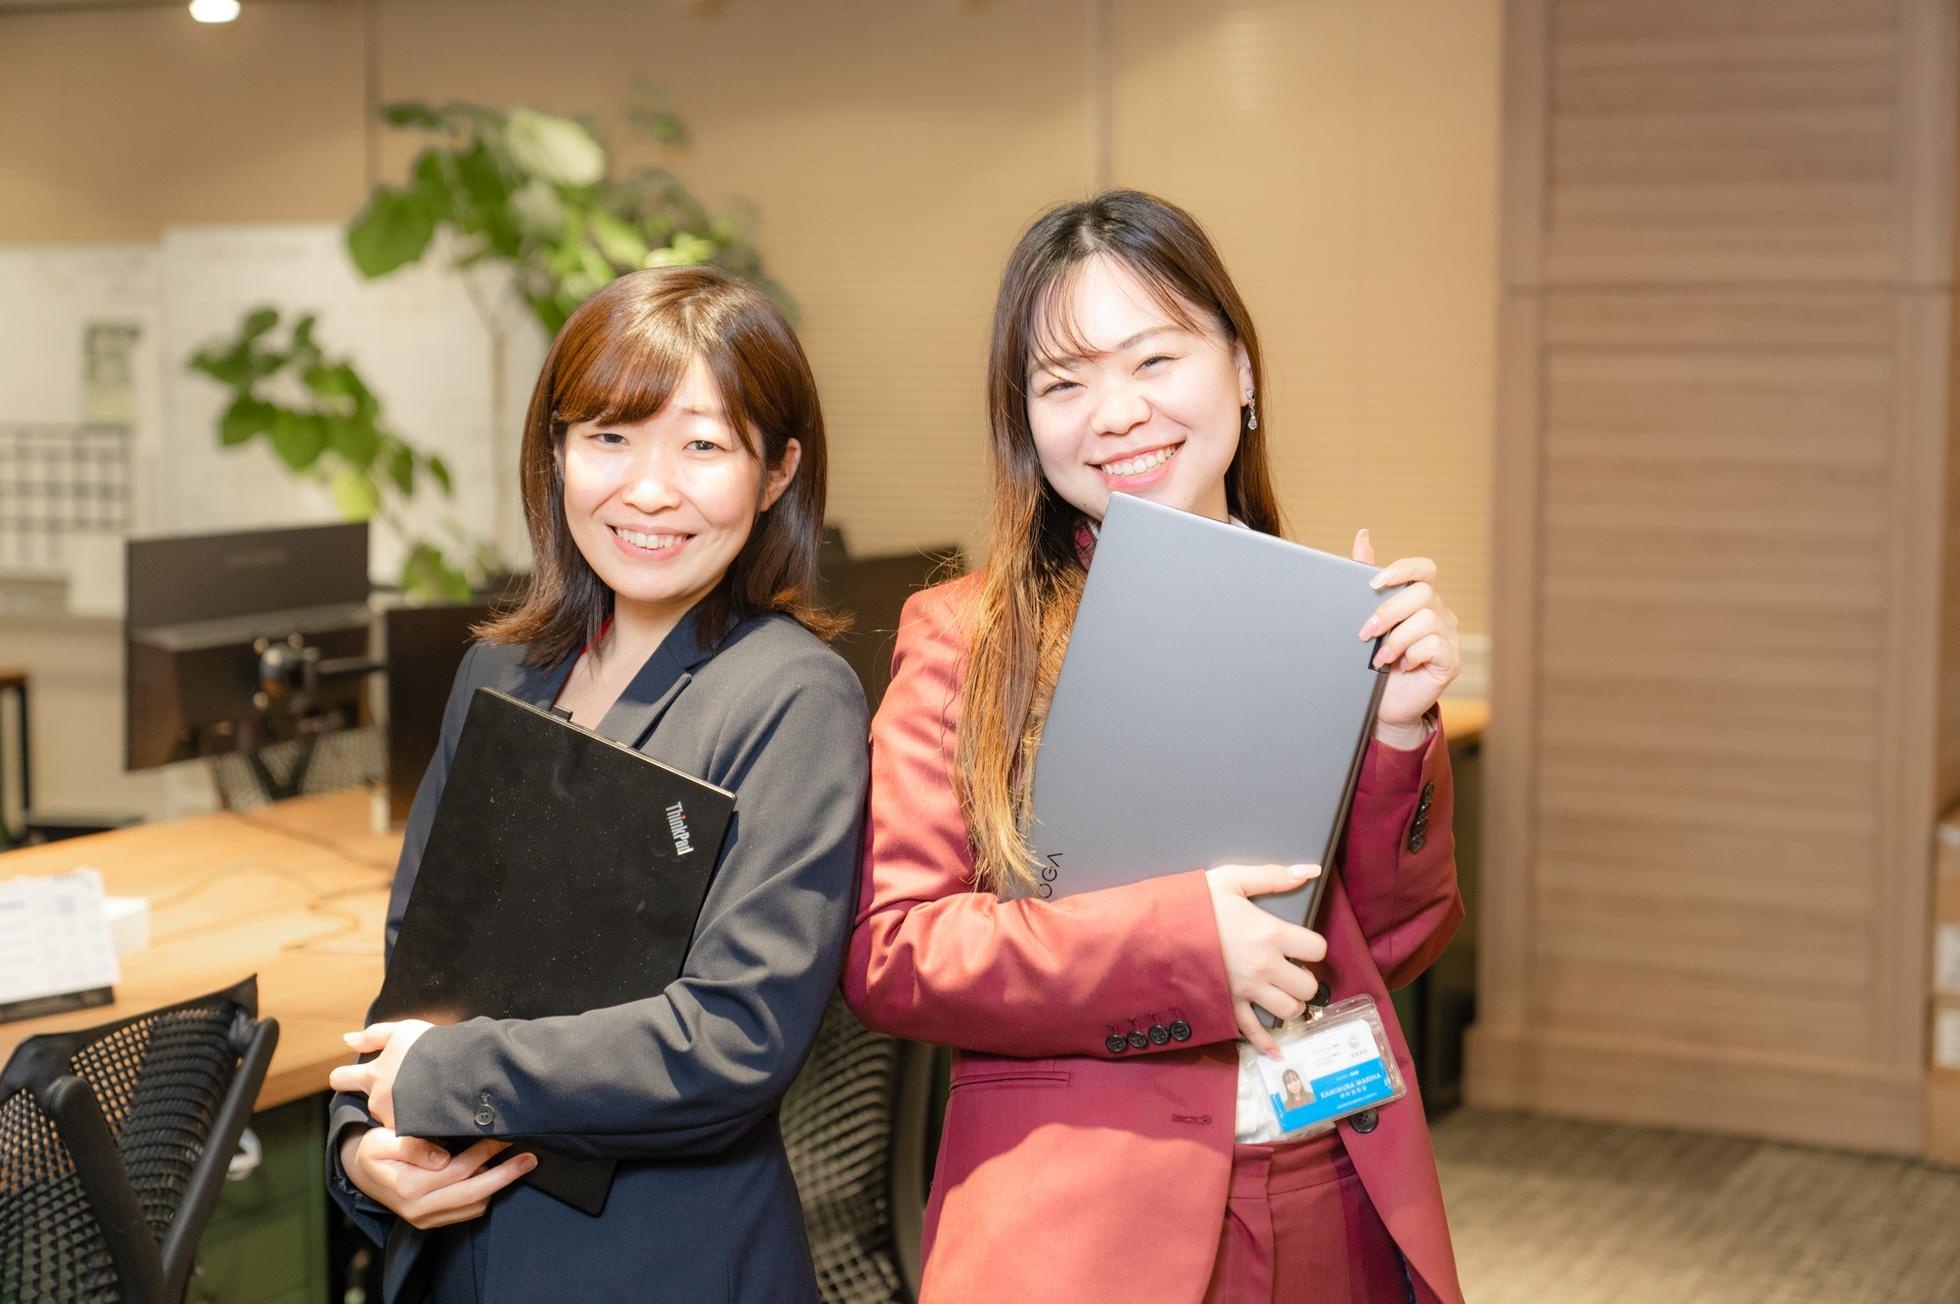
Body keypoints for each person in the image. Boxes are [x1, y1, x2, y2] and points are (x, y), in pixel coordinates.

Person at [843, 191, 1466, 1304]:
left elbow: (1392, 945)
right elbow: (897, 950)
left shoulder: (1331, 618)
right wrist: (1184, 947)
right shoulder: (968, 637)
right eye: (1063, 384)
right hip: (1082, 1217)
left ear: (1242, 371)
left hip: (1329, 1183)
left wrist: (1398, 727)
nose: (1116, 414)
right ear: (1024, 420)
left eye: (1153, 359)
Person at [325, 265, 869, 1303]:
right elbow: (418, 969)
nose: (648, 489)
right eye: (610, 437)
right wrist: (362, 1143)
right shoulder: (502, 671)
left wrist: (438, 1077)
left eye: (702, 446)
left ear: (776, 471)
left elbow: (733, 1037)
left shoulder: (792, 697)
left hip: (654, 1258)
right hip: (456, 1250)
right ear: (557, 452)